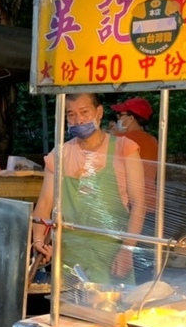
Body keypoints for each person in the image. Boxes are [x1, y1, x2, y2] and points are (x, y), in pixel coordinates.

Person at [31, 93, 146, 285]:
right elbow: (44, 204)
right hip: (70, 259)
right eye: (71, 114)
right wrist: (38, 241)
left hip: (112, 257)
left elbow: (139, 204)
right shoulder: (59, 155)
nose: (78, 120)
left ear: (99, 112)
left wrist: (127, 249)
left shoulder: (124, 149)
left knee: (113, 303)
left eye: (84, 112)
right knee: (68, 303)